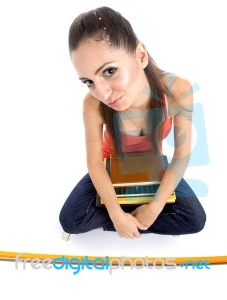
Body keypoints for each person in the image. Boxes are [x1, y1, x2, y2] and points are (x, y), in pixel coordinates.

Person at [59, 6, 206, 239]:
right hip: (112, 169)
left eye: (109, 71)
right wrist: (117, 215)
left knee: (195, 220)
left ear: (140, 56)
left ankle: (133, 215)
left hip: (154, 167)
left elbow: (181, 156)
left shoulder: (178, 90)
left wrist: (155, 208)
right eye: (89, 81)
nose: (103, 93)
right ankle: (128, 217)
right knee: (70, 220)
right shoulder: (92, 104)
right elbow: (95, 164)